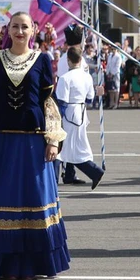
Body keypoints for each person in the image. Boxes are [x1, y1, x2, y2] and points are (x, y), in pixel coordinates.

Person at [0, 11, 70, 279]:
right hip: (3, 143)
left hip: (35, 144)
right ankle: (6, 265)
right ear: (8, 31)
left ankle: (38, 264)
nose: (20, 31)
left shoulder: (43, 60)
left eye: (25, 27)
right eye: (15, 26)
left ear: (33, 30)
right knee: (4, 200)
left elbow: (49, 102)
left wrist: (53, 140)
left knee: (35, 199)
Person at [54, 46, 105, 190]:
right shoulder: (87, 76)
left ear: (68, 60)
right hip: (82, 113)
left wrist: (57, 120)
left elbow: (61, 102)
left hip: (69, 113)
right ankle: (90, 172)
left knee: (61, 148)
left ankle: (54, 180)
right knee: (72, 147)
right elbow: (90, 98)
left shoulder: (65, 78)